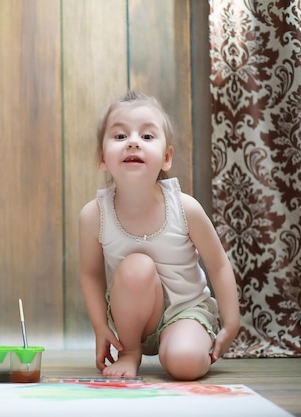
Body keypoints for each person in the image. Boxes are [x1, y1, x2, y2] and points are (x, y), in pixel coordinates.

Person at [78, 91, 239, 381]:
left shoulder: (185, 208)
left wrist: (232, 321)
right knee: (136, 266)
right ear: (103, 158)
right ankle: (130, 353)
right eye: (120, 136)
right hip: (133, 317)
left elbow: (218, 265)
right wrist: (100, 326)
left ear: (166, 157)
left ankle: (183, 345)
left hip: (186, 310)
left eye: (147, 136)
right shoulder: (94, 215)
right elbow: (90, 274)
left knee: (185, 364)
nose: (133, 141)